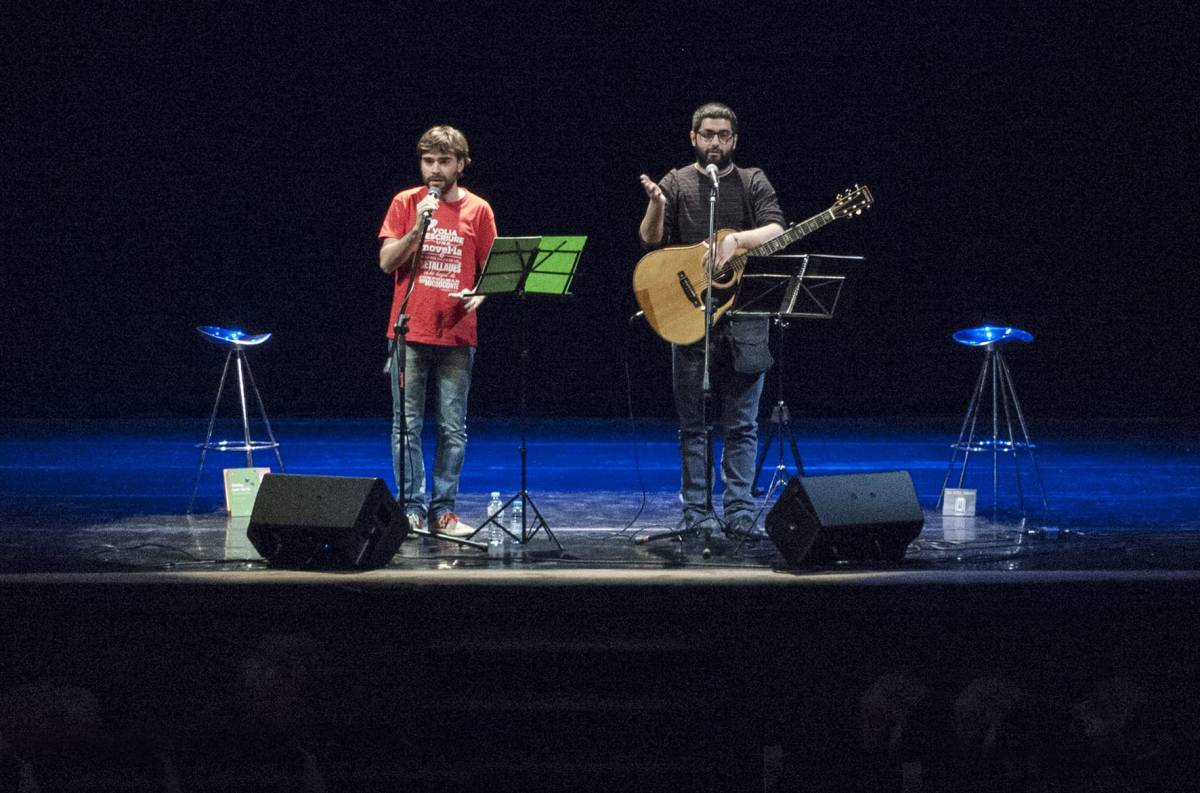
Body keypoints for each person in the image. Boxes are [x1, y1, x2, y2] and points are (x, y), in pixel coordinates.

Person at [638, 102, 786, 536]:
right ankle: (697, 514)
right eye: (707, 134)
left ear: (734, 139)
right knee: (694, 427)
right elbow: (650, 239)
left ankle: (739, 512)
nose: (715, 142)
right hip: (690, 319)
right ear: (693, 138)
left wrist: (737, 240)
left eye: (723, 135)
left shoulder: (752, 180)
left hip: (746, 319)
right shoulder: (676, 181)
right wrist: (656, 205)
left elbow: (776, 230)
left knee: (742, 425)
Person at [379, 125, 496, 537]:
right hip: (409, 333)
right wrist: (416, 229)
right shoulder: (405, 202)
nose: (434, 169)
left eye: (444, 161)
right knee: (406, 426)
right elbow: (387, 262)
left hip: (457, 336)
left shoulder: (478, 210)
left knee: (452, 429)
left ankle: (443, 510)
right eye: (428, 161)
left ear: (461, 165)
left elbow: (493, 272)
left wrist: (480, 295)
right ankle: (410, 508)